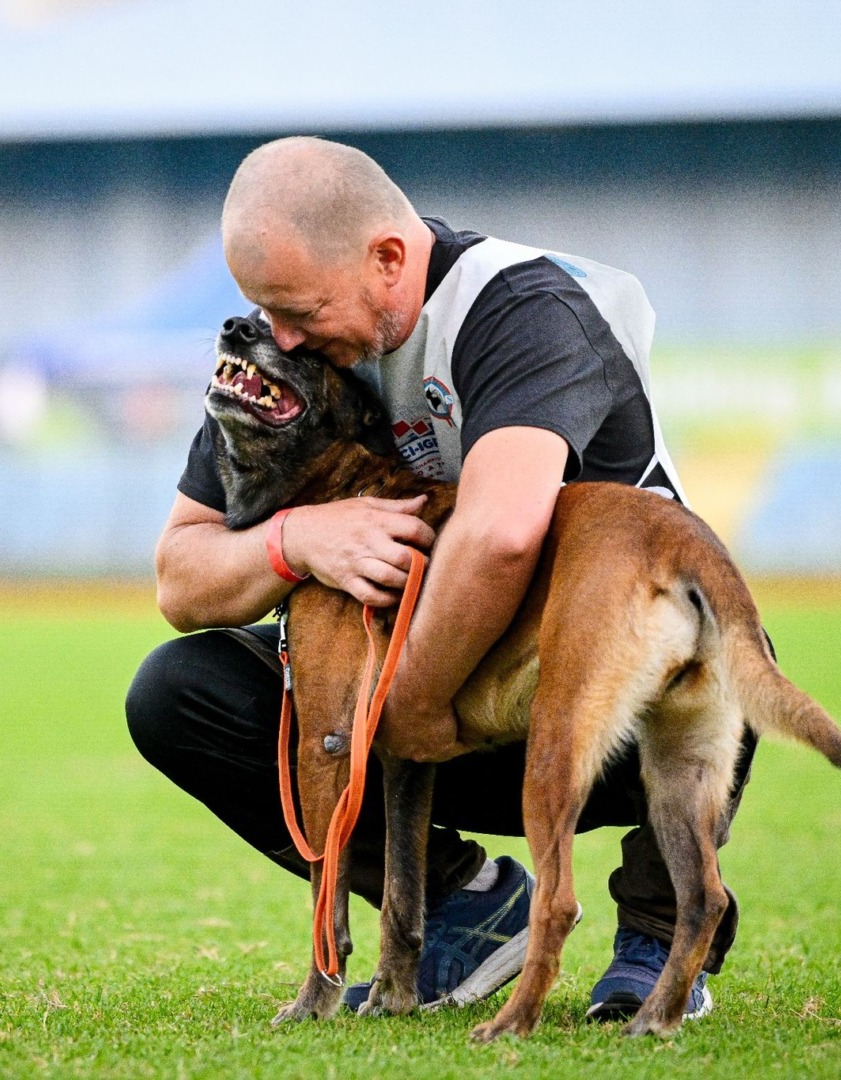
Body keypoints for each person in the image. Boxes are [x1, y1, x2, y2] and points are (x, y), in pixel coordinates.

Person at [126, 136, 757, 1020]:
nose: (282, 336)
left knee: (718, 637)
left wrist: (412, 702)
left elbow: (502, 532)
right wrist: (297, 539)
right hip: (422, 730)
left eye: (298, 310)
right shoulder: (296, 342)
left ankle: (658, 939)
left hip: (597, 719)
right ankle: (466, 905)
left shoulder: (521, 307)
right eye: (265, 311)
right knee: (176, 692)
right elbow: (180, 578)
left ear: (388, 258)